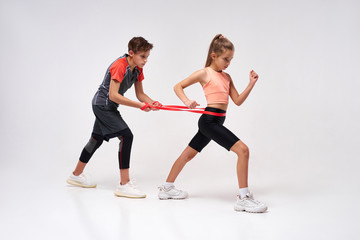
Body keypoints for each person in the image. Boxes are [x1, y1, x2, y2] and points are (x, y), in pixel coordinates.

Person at [158, 34, 267, 213]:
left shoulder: (227, 77)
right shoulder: (204, 73)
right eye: (225, 59)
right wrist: (186, 101)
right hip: (209, 121)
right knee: (243, 150)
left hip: (216, 120)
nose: (228, 63)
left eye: (231, 60)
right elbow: (178, 86)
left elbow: (237, 101)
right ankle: (243, 198)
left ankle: (167, 188)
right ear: (213, 56)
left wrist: (251, 84)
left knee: (187, 155)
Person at [67, 37, 160, 198]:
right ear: (131, 53)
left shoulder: (138, 69)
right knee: (126, 136)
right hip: (102, 105)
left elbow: (140, 94)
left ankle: (75, 175)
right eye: (142, 56)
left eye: (147, 57)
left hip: (108, 106)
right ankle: (124, 184)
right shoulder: (120, 66)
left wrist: (153, 103)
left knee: (96, 139)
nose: (145, 60)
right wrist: (140, 106)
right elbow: (114, 95)